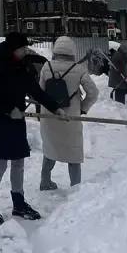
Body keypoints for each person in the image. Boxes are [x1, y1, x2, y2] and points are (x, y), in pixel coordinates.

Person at [0, 32, 59, 225]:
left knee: (18, 162)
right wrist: (9, 110)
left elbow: (34, 90)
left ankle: (19, 203)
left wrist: (55, 108)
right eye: (22, 48)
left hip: (16, 120)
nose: (26, 51)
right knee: (0, 163)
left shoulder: (22, 65)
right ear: (14, 48)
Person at [37, 37, 100, 191]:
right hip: (70, 119)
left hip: (49, 116)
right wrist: (83, 109)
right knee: (73, 153)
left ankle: (45, 182)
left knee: (50, 148)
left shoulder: (47, 67)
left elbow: (39, 92)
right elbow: (93, 92)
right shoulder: (78, 69)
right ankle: (76, 187)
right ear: (72, 50)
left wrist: (40, 112)